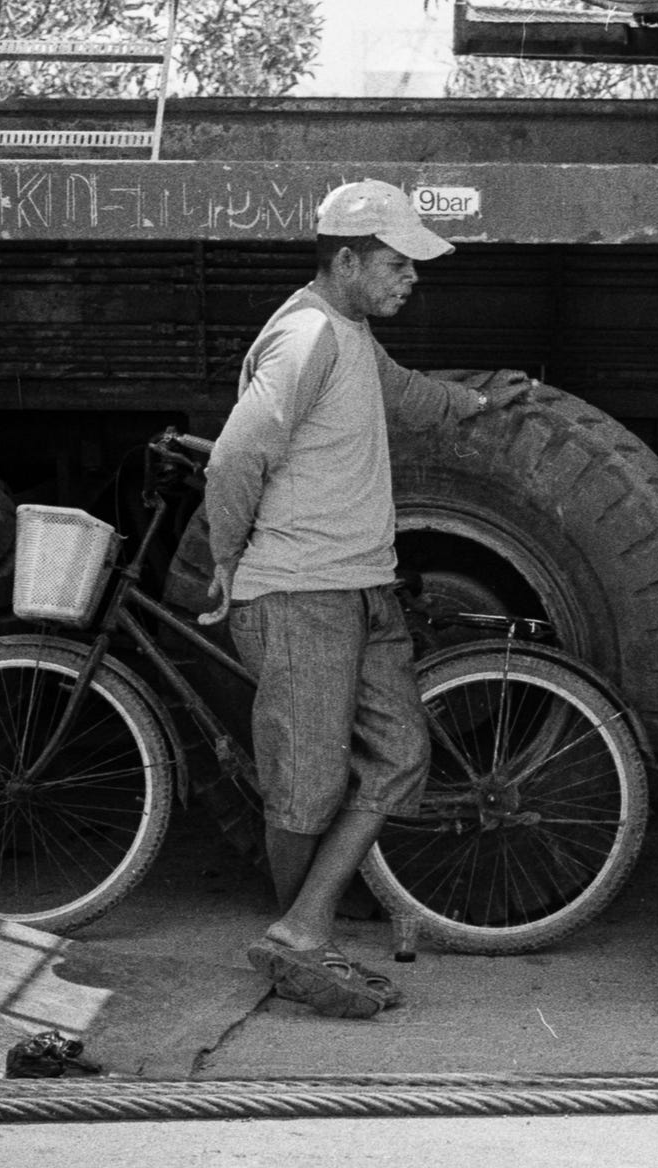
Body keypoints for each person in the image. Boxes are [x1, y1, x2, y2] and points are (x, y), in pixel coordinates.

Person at [203, 179, 536, 1017]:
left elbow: (407, 395)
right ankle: (298, 939)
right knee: (306, 785)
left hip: (361, 585)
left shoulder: (348, 333)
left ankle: (303, 928)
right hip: (300, 592)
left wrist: (478, 401)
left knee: (401, 755)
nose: (412, 277)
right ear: (345, 260)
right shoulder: (307, 336)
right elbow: (234, 457)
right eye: (396, 263)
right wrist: (224, 557)